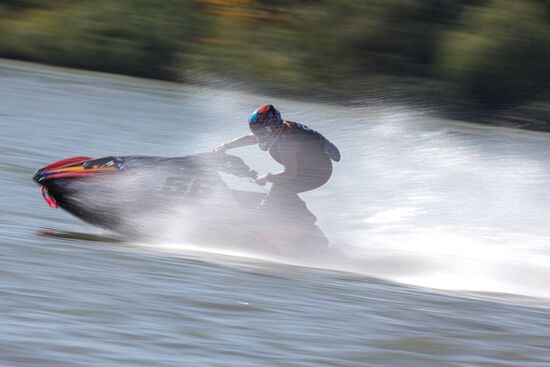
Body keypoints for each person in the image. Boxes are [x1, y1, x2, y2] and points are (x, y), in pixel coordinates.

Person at [215, 104, 340, 223]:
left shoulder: (286, 143)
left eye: (262, 133)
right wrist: (226, 146)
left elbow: (290, 174)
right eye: (256, 132)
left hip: (318, 173)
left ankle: (262, 216)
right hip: (311, 164)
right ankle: (302, 214)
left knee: (280, 186)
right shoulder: (282, 127)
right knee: (281, 187)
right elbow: (251, 138)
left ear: (273, 126)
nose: (259, 136)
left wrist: (267, 177)